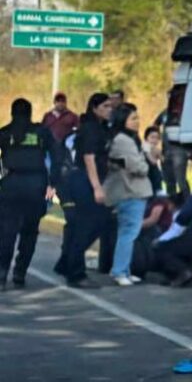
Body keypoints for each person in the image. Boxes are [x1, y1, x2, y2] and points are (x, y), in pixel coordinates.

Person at [0, 98, 62, 289]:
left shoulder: (4, 133)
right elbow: (57, 156)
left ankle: (1, 275)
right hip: (37, 184)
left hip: (11, 184)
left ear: (12, 113)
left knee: (6, 232)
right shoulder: (42, 132)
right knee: (30, 231)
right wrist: (53, 183)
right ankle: (20, 272)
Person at [56, 92, 113, 288]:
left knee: (94, 223)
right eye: (105, 106)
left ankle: (67, 263)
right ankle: (76, 273)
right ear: (95, 107)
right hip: (84, 180)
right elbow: (89, 159)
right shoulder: (90, 128)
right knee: (89, 224)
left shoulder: (101, 128)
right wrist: (97, 187)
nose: (109, 110)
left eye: (110, 107)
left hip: (90, 179)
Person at [103, 103, 153, 286]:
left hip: (128, 190)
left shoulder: (125, 138)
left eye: (137, 118)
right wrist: (145, 163)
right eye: (133, 118)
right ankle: (119, 271)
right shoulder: (124, 140)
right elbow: (139, 167)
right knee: (128, 233)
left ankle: (124, 269)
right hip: (130, 191)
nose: (137, 122)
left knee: (127, 232)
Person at [142, 126, 163, 195]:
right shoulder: (145, 146)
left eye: (157, 138)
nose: (155, 140)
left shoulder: (155, 148)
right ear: (146, 138)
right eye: (152, 137)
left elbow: (162, 159)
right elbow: (153, 161)